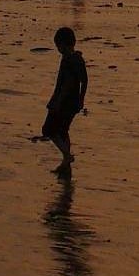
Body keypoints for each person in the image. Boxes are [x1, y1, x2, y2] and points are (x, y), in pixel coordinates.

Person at [35, 26, 88, 175]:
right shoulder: (79, 59)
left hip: (63, 101)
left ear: (62, 45)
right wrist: (81, 99)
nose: (58, 49)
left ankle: (67, 156)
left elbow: (66, 84)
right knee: (63, 130)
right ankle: (66, 166)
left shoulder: (68, 60)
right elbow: (85, 81)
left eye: (58, 46)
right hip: (73, 102)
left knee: (48, 129)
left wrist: (57, 102)